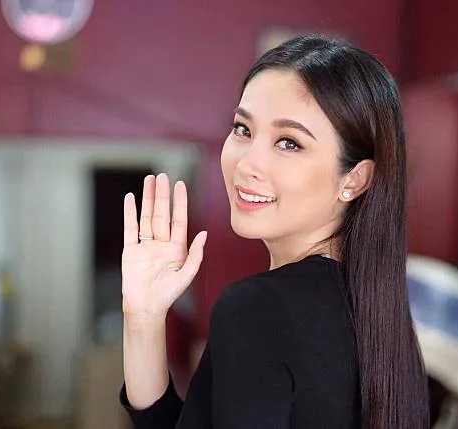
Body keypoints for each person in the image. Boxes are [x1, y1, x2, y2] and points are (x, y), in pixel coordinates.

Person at [119, 34, 429, 428]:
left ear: (355, 178)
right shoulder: (382, 320)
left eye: (288, 143)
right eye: (243, 129)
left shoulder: (258, 309)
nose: (247, 163)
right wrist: (144, 320)